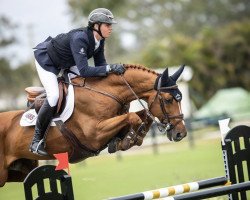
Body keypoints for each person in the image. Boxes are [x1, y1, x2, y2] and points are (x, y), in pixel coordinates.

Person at [29, 8, 125, 156]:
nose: (110, 28)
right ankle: (36, 140)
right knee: (54, 96)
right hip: (47, 61)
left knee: (85, 85)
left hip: (68, 62)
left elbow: (100, 66)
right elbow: (86, 70)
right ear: (96, 26)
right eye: (107, 25)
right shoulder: (80, 38)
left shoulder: (99, 40)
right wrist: (110, 68)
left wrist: (112, 73)